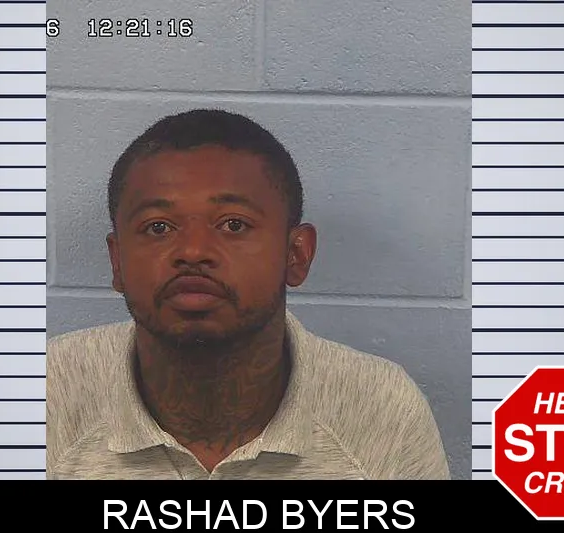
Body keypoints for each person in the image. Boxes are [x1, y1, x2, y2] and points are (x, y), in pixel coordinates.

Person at [47, 109, 450, 480]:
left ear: (296, 255)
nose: (193, 251)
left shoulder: (382, 408)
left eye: (233, 225)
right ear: (117, 262)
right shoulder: (48, 394)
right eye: (158, 227)